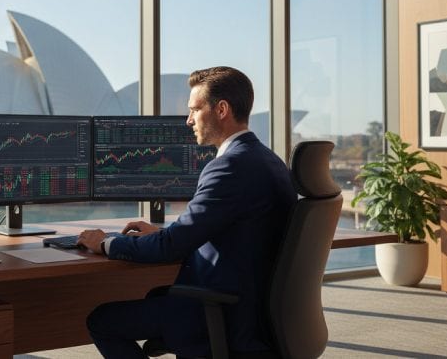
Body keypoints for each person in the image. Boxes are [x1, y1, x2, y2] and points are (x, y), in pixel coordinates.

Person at [78, 66, 296, 358]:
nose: (188, 120)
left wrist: (106, 243)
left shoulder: (229, 167)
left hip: (224, 315)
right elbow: (233, 232)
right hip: (254, 311)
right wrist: (168, 234)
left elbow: (170, 248)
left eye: (195, 109)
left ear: (221, 109)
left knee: (102, 320)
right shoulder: (268, 159)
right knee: (155, 296)